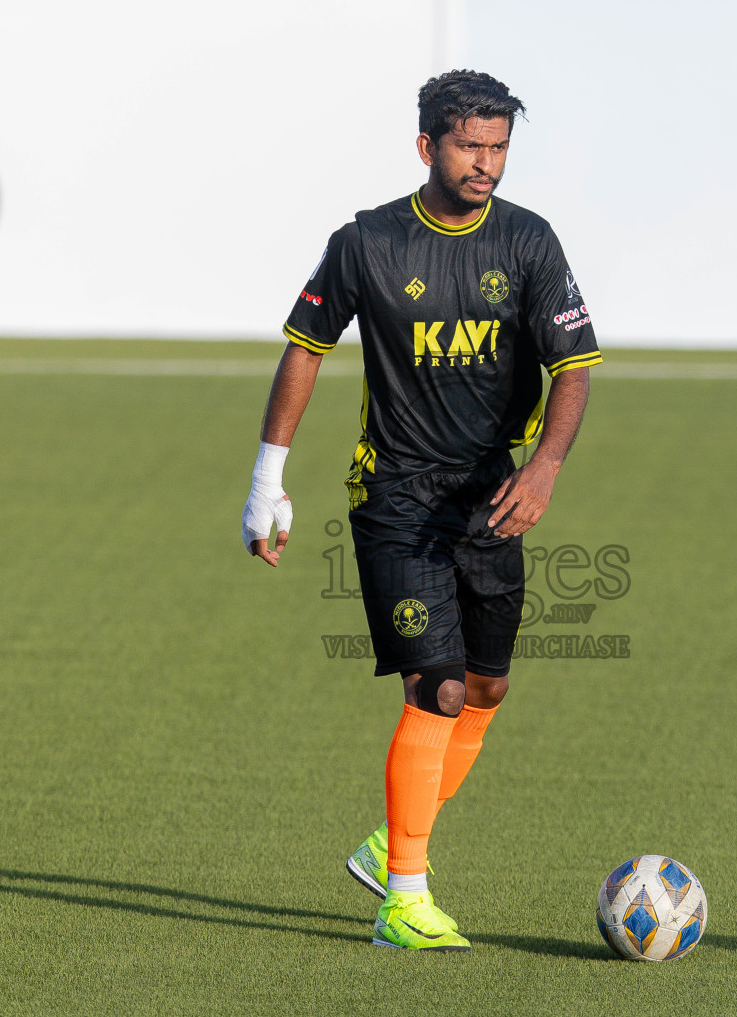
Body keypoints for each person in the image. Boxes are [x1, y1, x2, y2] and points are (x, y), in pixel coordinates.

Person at [241, 70, 600, 951]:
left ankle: (388, 843)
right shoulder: (366, 243)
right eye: (469, 147)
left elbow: (575, 365)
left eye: (499, 147)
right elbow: (306, 350)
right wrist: (267, 480)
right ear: (426, 147)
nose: (486, 164)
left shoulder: (528, 242)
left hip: (491, 496)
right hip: (394, 499)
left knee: (487, 686)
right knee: (434, 688)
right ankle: (403, 896)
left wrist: (546, 465)